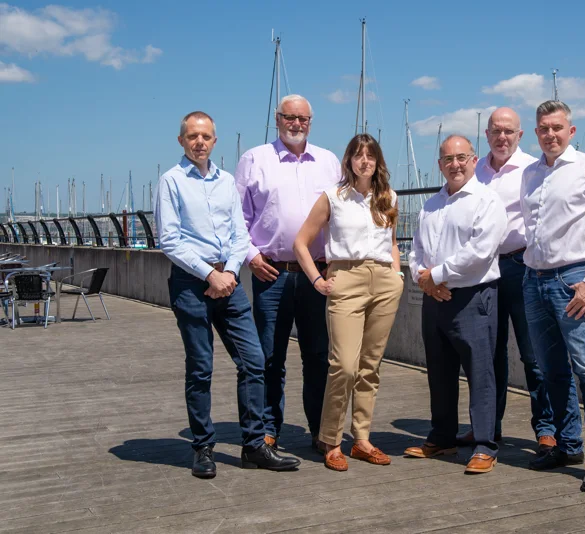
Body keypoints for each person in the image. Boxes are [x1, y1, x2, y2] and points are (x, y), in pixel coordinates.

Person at [156, 111, 300, 478]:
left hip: (230, 280)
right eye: (192, 136)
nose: (199, 142)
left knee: (254, 361)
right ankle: (203, 447)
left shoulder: (224, 182)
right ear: (182, 141)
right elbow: (169, 240)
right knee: (201, 367)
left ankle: (254, 445)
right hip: (191, 283)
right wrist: (209, 274)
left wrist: (231, 272)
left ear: (214, 141)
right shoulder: (171, 182)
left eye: (205, 136)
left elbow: (240, 234)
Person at [521, 100, 585, 492]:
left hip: (574, 278)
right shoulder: (529, 173)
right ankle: (567, 445)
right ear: (537, 132)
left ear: (571, 130)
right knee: (551, 371)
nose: (550, 134)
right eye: (544, 128)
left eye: (557, 127)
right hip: (534, 278)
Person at [235, 95, 341, 451]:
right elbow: (237, 218)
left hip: (316, 274)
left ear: (311, 122)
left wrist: (336, 259)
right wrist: (250, 256)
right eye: (290, 117)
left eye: (303, 119)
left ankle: (320, 430)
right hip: (271, 274)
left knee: (317, 356)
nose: (296, 124)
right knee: (269, 357)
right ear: (277, 119)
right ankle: (268, 428)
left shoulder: (329, 162)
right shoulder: (254, 159)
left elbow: (342, 215)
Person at [293, 133, 405, 472]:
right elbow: (301, 242)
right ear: (349, 161)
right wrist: (317, 279)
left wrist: (396, 276)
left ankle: (362, 439)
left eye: (371, 155)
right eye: (358, 155)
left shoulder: (389, 197)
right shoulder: (333, 197)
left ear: (378, 161)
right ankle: (330, 439)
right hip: (346, 279)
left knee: (370, 365)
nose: (365, 161)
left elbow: (393, 243)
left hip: (384, 281)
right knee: (343, 364)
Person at [404, 135, 507, 474]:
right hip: (434, 299)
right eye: (448, 159)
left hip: (472, 297)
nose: (455, 164)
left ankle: (484, 444)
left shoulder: (487, 201)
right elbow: (415, 248)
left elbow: (481, 251)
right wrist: (422, 276)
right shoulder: (431, 204)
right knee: (439, 371)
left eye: (462, 157)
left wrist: (437, 274)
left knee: (481, 373)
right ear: (440, 165)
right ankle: (443, 437)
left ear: (474, 160)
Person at [459, 106, 556, 454]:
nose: (502, 137)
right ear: (486, 135)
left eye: (508, 131)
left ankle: (546, 428)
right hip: (483, 271)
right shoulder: (474, 172)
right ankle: (488, 427)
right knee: (488, 355)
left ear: (520, 135)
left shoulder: (532, 170)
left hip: (521, 266)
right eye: (496, 131)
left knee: (533, 354)